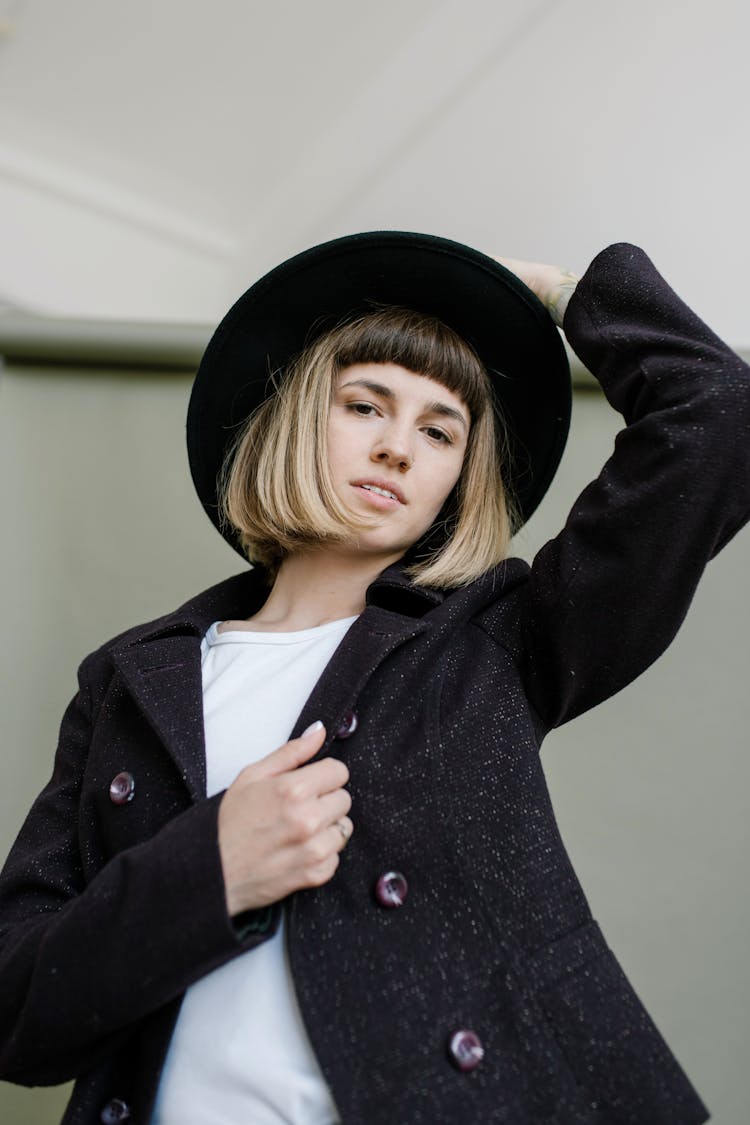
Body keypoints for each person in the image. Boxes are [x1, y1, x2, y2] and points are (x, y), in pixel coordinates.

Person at [0, 231, 748, 1125]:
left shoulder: (495, 645)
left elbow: (718, 412)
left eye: (440, 430)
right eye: (365, 406)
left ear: (457, 480)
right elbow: (16, 1009)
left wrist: (553, 294)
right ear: (295, 417)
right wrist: (212, 868)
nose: (399, 447)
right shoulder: (129, 681)